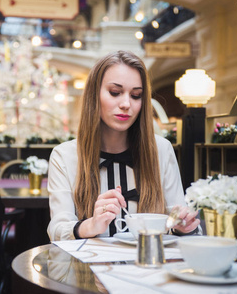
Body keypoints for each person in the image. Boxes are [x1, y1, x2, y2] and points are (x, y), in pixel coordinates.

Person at [47, 51, 200, 241]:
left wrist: (184, 226)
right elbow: (57, 230)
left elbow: (177, 220)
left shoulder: (161, 150)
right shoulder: (64, 156)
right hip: (87, 269)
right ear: (94, 95)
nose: (126, 104)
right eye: (115, 93)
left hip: (148, 266)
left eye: (136, 95)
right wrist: (91, 225)